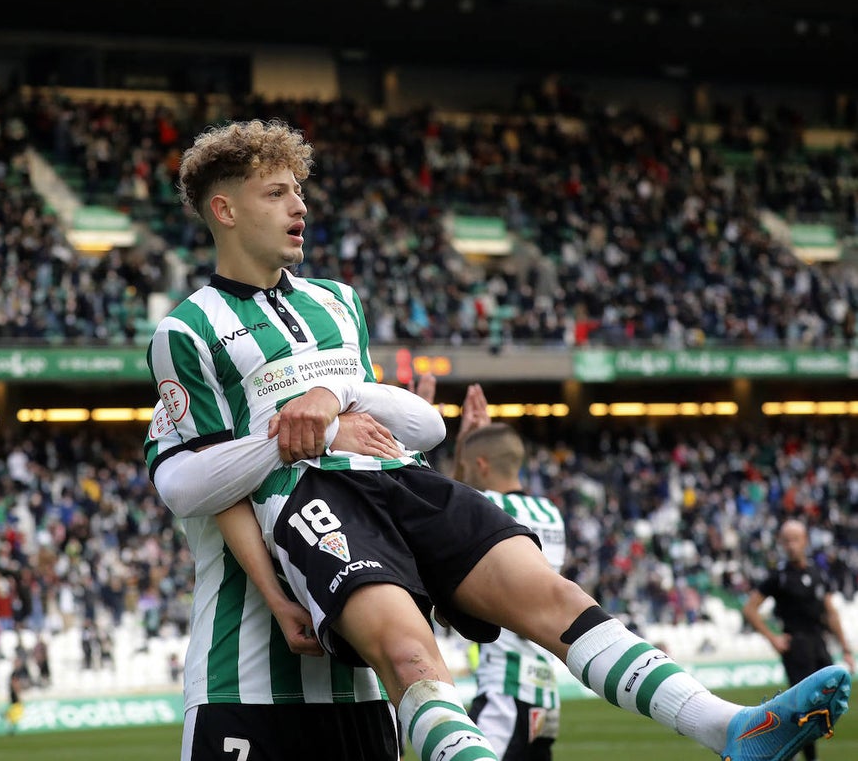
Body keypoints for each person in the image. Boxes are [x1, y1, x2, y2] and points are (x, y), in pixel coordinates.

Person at [146, 118, 851, 761]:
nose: (300, 206)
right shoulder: (187, 332)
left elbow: (413, 422)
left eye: (300, 190)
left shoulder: (337, 302)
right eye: (277, 193)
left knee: (550, 593)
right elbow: (186, 483)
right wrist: (305, 438)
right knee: (413, 655)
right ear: (226, 209)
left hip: (376, 579)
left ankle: (728, 726)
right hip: (247, 668)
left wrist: (339, 401)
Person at [146, 397, 429, 760]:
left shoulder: (349, 390)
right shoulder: (185, 401)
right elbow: (187, 491)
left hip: (360, 685)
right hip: (239, 678)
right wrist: (328, 433)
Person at [450, 383, 566, 761]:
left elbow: (445, 504)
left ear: (480, 465)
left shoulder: (486, 507)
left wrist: (463, 445)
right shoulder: (552, 514)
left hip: (505, 688)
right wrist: (481, 441)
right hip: (546, 695)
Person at [742, 518, 856, 761]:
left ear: (805, 541)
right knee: (804, 706)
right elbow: (750, 608)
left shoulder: (817, 573)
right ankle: (805, 755)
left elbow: (830, 612)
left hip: (820, 643)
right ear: (781, 544)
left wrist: (845, 648)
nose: (791, 545)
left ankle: (786, 739)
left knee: (826, 704)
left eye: (796, 539)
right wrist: (773, 638)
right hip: (796, 646)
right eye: (787, 540)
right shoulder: (779, 576)